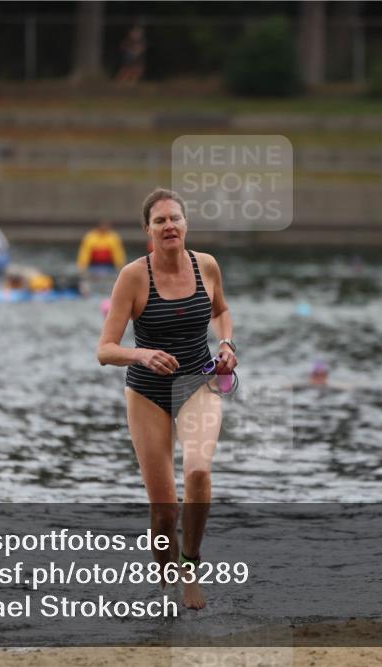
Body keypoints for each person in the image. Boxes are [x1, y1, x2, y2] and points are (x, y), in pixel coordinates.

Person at [97, 188, 237, 610]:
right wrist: (141, 353)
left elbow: (221, 311)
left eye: (175, 218)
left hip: (199, 383)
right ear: (149, 231)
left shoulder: (207, 265)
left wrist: (228, 344)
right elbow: (105, 349)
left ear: (186, 225)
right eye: (160, 221)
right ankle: (164, 586)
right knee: (164, 511)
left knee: (197, 473)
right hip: (147, 392)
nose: (169, 226)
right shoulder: (133, 277)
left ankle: (190, 565)